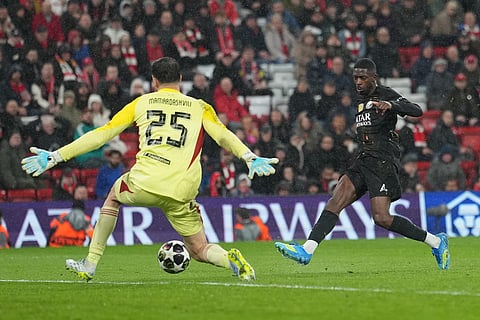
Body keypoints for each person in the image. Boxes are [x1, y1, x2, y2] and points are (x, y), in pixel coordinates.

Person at [22, 57, 278, 282]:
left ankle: (90, 264)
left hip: (145, 182)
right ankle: (233, 262)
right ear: (180, 79)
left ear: (154, 81)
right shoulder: (199, 106)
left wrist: (57, 155)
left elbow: (102, 135)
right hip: (183, 189)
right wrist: (249, 155)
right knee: (200, 250)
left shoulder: (141, 102)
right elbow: (223, 135)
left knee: (113, 195)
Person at [275, 58, 450, 271]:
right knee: (335, 201)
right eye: (355, 77)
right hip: (363, 159)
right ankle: (307, 250)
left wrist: (392, 105)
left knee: (382, 218)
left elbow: (416, 110)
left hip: (383, 161)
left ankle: (436, 242)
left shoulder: (385, 94)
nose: (358, 81)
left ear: (373, 78)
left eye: (362, 78)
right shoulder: (359, 100)